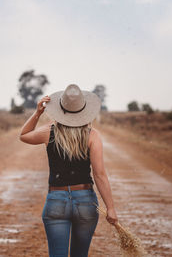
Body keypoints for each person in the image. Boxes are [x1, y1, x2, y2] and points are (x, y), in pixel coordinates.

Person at [19, 84, 118, 257]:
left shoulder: (49, 132)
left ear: (60, 109)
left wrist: (37, 113)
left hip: (56, 201)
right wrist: (110, 208)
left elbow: (24, 135)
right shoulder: (92, 135)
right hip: (86, 202)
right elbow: (99, 174)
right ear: (83, 110)